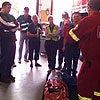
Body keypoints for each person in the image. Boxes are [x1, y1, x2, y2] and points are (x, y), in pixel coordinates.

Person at [64, 0, 100, 99]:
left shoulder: (88, 21)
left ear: (88, 7)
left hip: (90, 66)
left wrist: (67, 25)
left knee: (85, 91)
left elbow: (71, 38)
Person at [0, 1, 19, 83]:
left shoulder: (11, 16)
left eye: (10, 7)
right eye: (8, 7)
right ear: (3, 7)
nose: (9, 9)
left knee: (11, 57)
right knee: (4, 58)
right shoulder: (0, 16)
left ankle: (8, 74)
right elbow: (4, 25)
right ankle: (2, 75)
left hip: (12, 40)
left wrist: (11, 29)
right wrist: (12, 27)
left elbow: (18, 25)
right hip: (4, 40)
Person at [62, 12, 81, 76]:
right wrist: (64, 46)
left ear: (80, 17)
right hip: (69, 45)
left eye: (77, 16)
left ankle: (74, 75)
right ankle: (68, 75)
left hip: (77, 46)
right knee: (68, 61)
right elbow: (65, 37)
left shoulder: (81, 26)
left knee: (75, 61)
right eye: (74, 16)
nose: (76, 18)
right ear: (72, 18)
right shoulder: (68, 26)